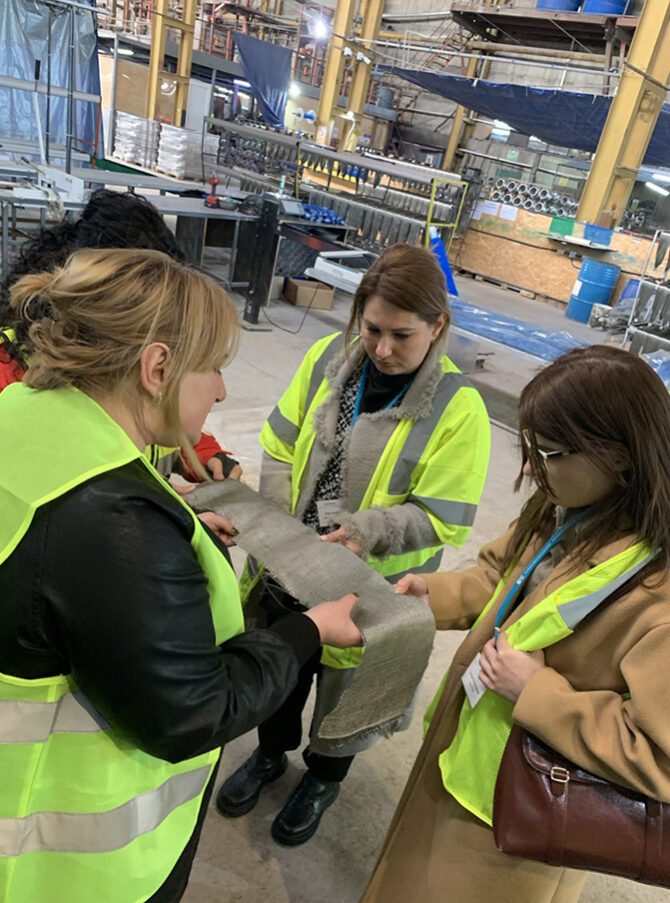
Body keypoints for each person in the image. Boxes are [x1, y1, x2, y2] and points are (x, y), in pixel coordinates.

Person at [0, 248, 361, 903]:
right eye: (214, 369)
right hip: (58, 868)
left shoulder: (20, 416)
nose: (223, 391)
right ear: (157, 367)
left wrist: (182, 520)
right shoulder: (117, 524)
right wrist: (310, 629)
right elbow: (195, 710)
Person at [358, 345, 670, 903]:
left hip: (524, 813)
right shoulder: (566, 507)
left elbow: (659, 757)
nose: (531, 469)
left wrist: (539, 692)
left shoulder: (657, 593)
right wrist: (434, 593)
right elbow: (501, 578)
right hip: (462, 757)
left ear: (620, 456)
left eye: (550, 452)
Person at [216, 243, 491, 846]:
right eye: (371, 329)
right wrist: (283, 525)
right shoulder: (326, 360)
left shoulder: (456, 409)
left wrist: (371, 532)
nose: (383, 349)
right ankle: (270, 756)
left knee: (348, 697)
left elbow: (442, 517)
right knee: (281, 670)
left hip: (374, 589)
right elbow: (282, 444)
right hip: (291, 568)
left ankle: (323, 778)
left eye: (402, 335)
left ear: (437, 326)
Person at [0, 188, 240, 483]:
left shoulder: (118, 381)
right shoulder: (12, 382)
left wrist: (199, 452)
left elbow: (151, 423)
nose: (221, 393)